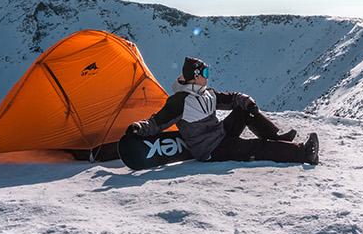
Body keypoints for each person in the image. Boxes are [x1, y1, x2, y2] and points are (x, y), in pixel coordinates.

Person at [127, 56, 319, 165]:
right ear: (195, 76)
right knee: (254, 148)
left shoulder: (206, 92)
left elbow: (232, 98)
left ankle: (276, 136)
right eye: (205, 73)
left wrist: (247, 102)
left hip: (221, 135)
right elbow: (157, 122)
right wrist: (139, 128)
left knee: (244, 111)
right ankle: (303, 154)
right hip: (212, 149)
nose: (208, 76)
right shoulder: (180, 101)